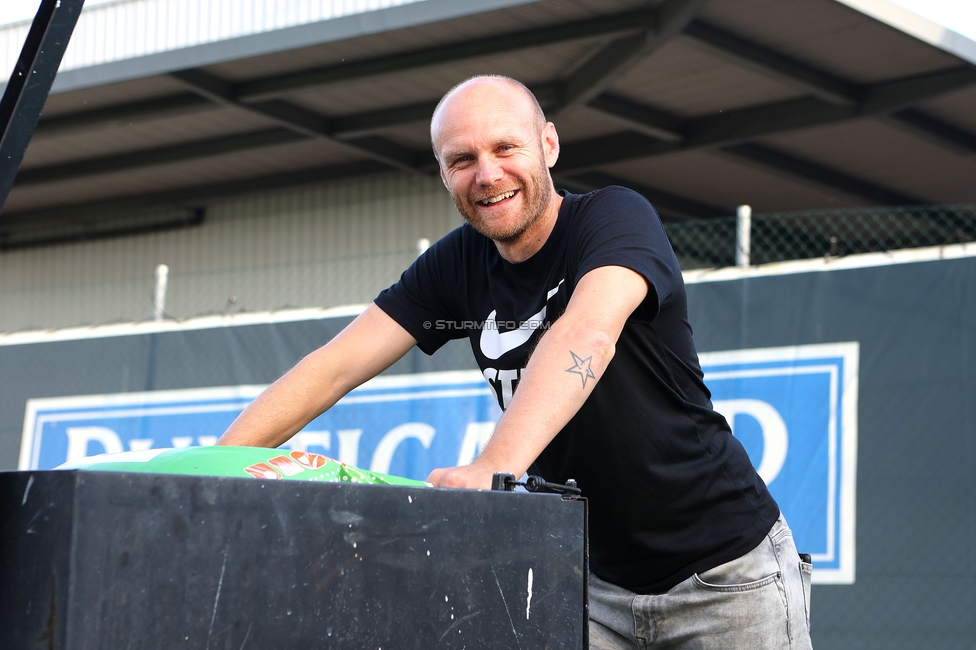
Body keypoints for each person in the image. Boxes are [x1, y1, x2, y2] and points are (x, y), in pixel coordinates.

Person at [218, 75, 813, 649]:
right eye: (462, 159)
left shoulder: (614, 218)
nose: (488, 174)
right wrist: (215, 466)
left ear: (548, 144)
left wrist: (493, 466)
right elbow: (334, 366)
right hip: (591, 586)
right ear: (444, 174)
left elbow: (587, 333)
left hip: (726, 578)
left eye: (506, 147)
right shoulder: (455, 265)